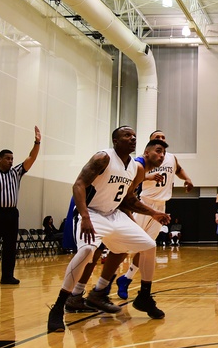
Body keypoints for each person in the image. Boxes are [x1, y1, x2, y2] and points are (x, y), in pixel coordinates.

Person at [47, 127, 171, 333]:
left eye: (134, 136)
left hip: (113, 214)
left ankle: (143, 296)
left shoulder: (132, 167)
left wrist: (153, 214)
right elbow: (78, 184)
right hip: (91, 212)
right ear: (115, 140)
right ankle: (59, 306)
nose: (132, 138)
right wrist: (85, 216)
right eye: (127, 135)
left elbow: (128, 199)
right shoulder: (103, 157)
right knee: (87, 251)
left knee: (148, 245)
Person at [114, 130, 194, 300]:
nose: (161, 139)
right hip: (144, 203)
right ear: (149, 144)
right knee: (128, 244)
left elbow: (179, 169)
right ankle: (107, 280)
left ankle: (126, 279)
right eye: (157, 138)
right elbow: (133, 178)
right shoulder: (143, 161)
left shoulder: (171, 158)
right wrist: (149, 177)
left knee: (147, 246)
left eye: (163, 137)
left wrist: (187, 179)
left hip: (161, 205)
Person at [0, 126, 41, 286]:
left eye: (12, 158)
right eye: (7, 158)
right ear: (0, 159)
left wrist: (37, 142)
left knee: (10, 246)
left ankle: (7, 276)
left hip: (11, 214)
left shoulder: (16, 172)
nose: (11, 161)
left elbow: (31, 158)